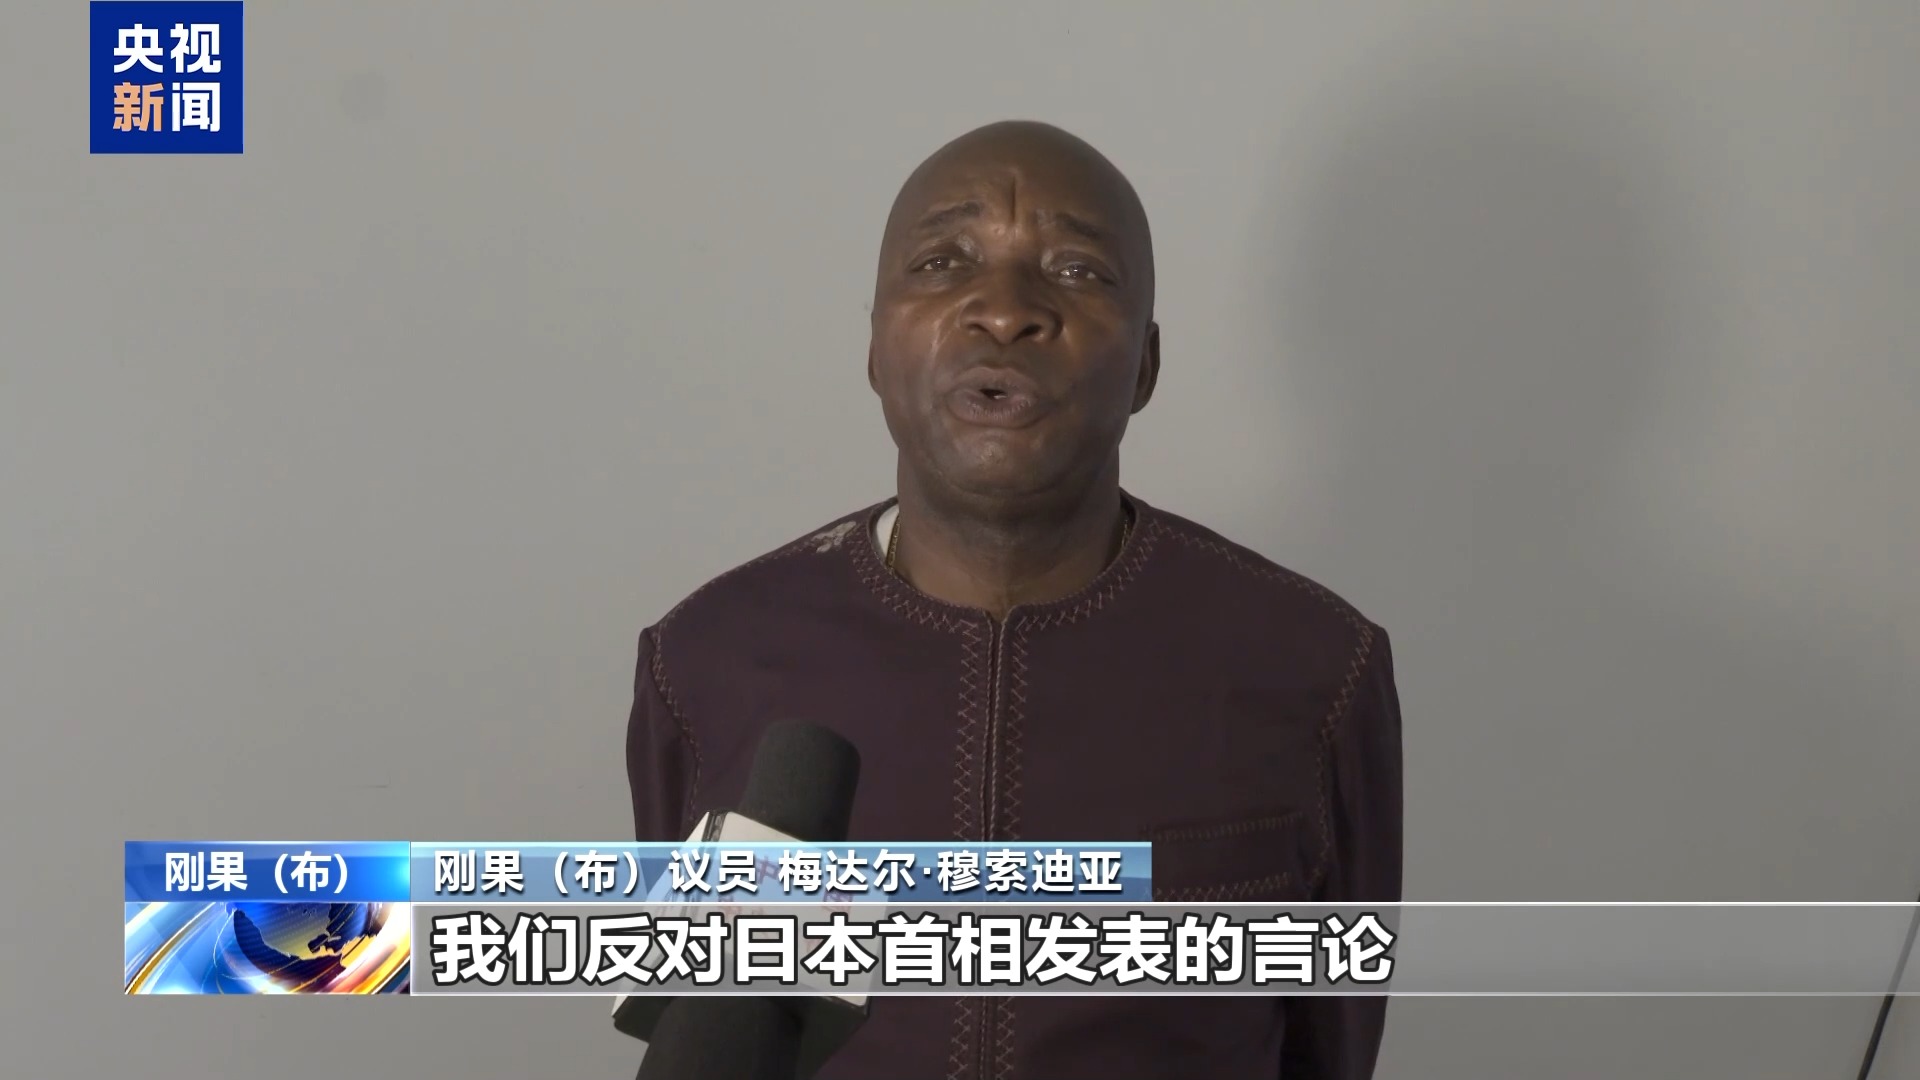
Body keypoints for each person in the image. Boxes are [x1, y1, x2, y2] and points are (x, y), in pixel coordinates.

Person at [626, 119, 1403, 1080]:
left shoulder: (1315, 667)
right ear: (874, 348)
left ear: (1147, 364)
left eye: (1077, 270)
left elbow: (1333, 1050)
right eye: (943, 263)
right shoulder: (705, 659)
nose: (1004, 312)